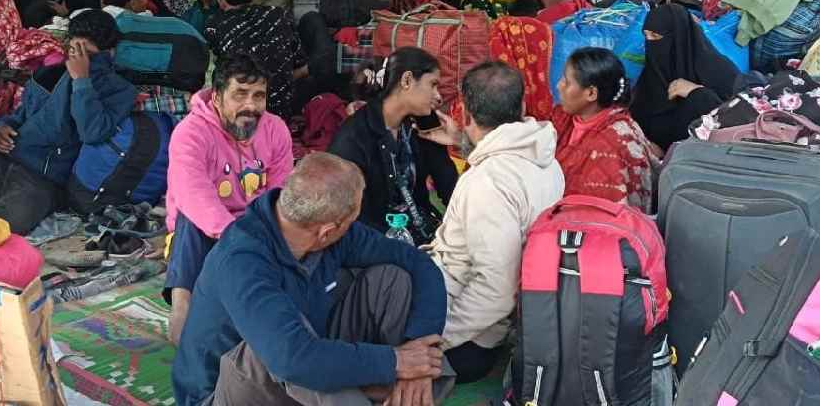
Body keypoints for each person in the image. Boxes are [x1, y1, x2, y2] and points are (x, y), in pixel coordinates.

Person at [172, 152, 451, 406]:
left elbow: (418, 262)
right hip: (223, 393)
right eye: (354, 216)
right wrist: (395, 362)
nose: (356, 225)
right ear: (328, 230)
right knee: (284, 348)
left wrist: (419, 357)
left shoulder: (325, 233)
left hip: (301, 360)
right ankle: (369, 389)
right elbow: (291, 358)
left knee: (392, 278)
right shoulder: (241, 260)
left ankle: (395, 389)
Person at [419, 62, 563, 383]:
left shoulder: (488, 182)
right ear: (522, 106)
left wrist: (431, 342)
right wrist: (463, 140)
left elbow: (496, 289)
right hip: (489, 323)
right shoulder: (545, 157)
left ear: (467, 113)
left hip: (468, 341)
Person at [164, 52, 294, 344]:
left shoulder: (275, 129)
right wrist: (238, 238)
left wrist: (266, 234)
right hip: (205, 233)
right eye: (240, 94)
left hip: (253, 225)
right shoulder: (190, 133)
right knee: (189, 217)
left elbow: (281, 191)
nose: (251, 105)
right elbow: (193, 194)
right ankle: (181, 306)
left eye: (259, 96)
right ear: (218, 98)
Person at [0, 10, 137, 234]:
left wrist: (82, 80)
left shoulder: (119, 89)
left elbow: (92, 132)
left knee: (3, 226)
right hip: (5, 154)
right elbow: (20, 116)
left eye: (88, 54)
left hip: (42, 175)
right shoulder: (49, 74)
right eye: (75, 51)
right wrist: (0, 128)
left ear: (110, 53)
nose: (79, 59)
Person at [329, 47, 457, 245]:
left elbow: (450, 191)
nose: (438, 96)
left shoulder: (420, 125)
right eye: (432, 85)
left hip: (424, 233)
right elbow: (353, 221)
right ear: (407, 81)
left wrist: (453, 143)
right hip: (379, 244)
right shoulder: (353, 139)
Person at [553, 48, 658, 211]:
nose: (558, 86)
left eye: (566, 82)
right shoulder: (563, 118)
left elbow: (605, 214)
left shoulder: (613, 144)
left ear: (591, 93)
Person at [205, 0, 307, 124]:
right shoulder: (279, 14)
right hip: (282, 110)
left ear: (221, 0)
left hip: (240, 114)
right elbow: (300, 62)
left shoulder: (215, 24)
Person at [631, 4, 739, 152]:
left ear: (679, 36)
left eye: (656, 36)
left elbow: (735, 116)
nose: (650, 42)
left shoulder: (718, 70)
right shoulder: (654, 71)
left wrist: (696, 92)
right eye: (646, 36)